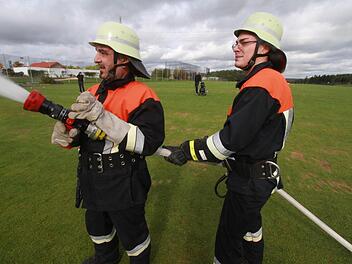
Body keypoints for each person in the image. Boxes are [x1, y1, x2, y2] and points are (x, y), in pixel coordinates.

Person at [165, 12, 293, 264]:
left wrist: (187, 149)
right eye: (236, 42)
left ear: (264, 47)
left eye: (243, 42)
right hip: (260, 176)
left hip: (249, 182)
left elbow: (228, 142)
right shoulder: (272, 80)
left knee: (227, 246)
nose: (235, 47)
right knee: (250, 232)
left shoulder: (262, 84)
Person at [51, 21, 165, 264]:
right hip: (91, 178)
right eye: (97, 51)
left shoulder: (143, 95)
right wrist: (68, 134)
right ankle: (105, 259)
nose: (95, 59)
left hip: (125, 182)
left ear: (123, 58)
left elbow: (148, 143)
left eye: (103, 52)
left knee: (133, 236)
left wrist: (103, 117)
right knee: (98, 229)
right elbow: (83, 135)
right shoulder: (91, 92)